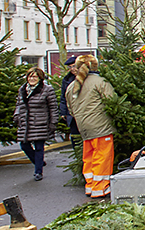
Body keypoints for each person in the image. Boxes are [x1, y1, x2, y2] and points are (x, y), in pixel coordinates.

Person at [64, 55, 115, 198]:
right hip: (100, 126)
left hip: (83, 127)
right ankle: (100, 188)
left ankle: (90, 185)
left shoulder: (72, 86)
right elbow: (111, 101)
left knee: (89, 157)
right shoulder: (100, 82)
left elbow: (70, 109)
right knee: (102, 157)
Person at [14, 67, 58, 181]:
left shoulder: (47, 90)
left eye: (34, 76)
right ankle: (38, 162)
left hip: (40, 122)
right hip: (25, 122)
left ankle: (38, 171)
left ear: (40, 78)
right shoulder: (23, 89)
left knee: (39, 147)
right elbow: (19, 104)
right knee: (24, 145)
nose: (32, 79)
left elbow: (53, 107)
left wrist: (53, 122)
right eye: (30, 76)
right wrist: (17, 115)